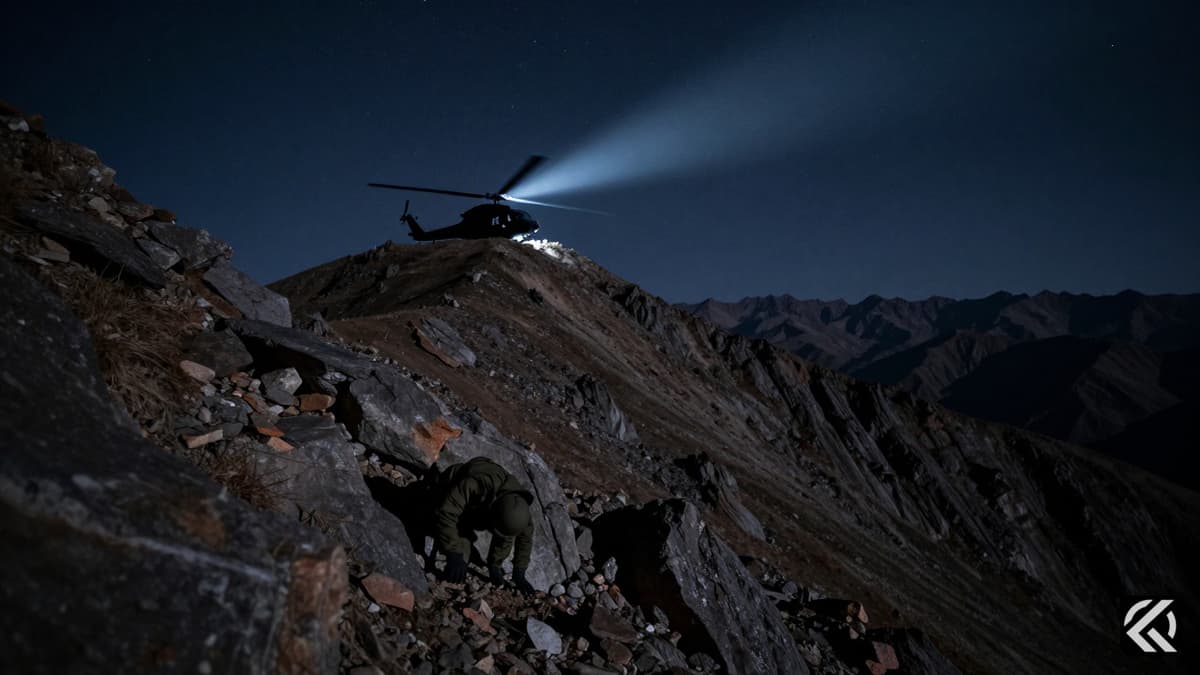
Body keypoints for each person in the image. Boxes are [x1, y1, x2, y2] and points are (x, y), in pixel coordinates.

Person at [435, 456, 536, 594]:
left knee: (505, 533)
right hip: (449, 486)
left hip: (481, 507)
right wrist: (453, 552)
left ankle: (493, 563)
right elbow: (447, 511)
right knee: (460, 554)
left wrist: (518, 572)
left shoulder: (519, 510)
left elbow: (525, 540)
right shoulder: (476, 483)